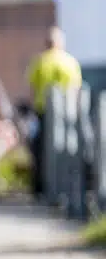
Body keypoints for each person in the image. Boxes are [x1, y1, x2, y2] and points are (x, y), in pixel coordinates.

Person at [27, 26, 83, 196]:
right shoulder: (69, 62)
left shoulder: (40, 61)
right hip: (68, 114)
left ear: (47, 43)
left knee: (41, 152)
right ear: (61, 43)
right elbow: (77, 88)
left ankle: (42, 188)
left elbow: (32, 87)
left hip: (42, 112)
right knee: (67, 150)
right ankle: (66, 189)